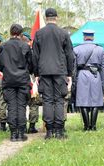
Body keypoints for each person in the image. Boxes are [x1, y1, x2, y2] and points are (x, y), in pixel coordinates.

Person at [32, 8, 74, 139]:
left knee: (48, 100)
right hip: (60, 71)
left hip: (44, 71)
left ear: (46, 18)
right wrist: (69, 73)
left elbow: (35, 55)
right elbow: (69, 55)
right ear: (57, 17)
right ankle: (59, 131)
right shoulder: (64, 33)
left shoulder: (39, 34)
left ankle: (49, 131)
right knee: (59, 100)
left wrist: (36, 74)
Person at [0, 24, 33, 142]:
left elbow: (0, 65)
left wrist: (8, 71)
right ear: (21, 33)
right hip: (22, 80)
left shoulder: (3, 46)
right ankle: (21, 133)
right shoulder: (25, 46)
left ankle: (13, 134)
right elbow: (31, 65)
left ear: (11, 32)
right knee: (21, 106)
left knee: (11, 106)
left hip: (8, 80)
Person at [73, 30, 104, 131]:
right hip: (96, 75)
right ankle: (93, 126)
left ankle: (86, 126)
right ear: (93, 37)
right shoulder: (100, 49)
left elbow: (73, 67)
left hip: (82, 74)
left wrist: (74, 80)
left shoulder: (76, 49)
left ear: (84, 37)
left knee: (83, 101)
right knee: (96, 101)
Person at [21, 32, 39, 134]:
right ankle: (32, 126)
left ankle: (22, 126)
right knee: (33, 103)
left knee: (21, 104)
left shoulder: (16, 50)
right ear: (30, 41)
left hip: (20, 79)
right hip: (31, 78)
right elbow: (34, 66)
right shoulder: (32, 52)